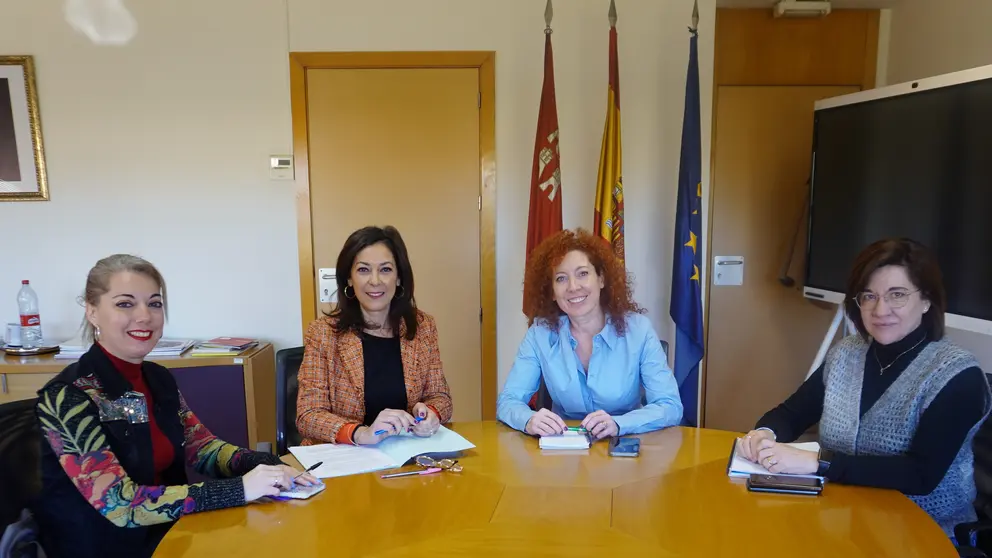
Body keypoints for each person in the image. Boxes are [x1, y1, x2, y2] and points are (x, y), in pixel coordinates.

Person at [30, 254, 317, 558]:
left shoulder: (157, 378)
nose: (144, 316)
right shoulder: (67, 397)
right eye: (125, 304)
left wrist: (269, 464)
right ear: (92, 311)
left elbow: (202, 449)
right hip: (104, 546)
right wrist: (240, 489)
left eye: (154, 303)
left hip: (169, 534)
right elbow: (121, 504)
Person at [739, 238, 991, 538]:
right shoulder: (846, 354)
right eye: (869, 296)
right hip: (837, 518)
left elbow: (920, 476)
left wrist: (818, 463)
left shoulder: (957, 375)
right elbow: (791, 413)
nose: (880, 309)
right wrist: (764, 435)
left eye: (897, 295)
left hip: (923, 532)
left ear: (926, 300)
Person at [497, 228, 683, 439]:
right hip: (563, 453)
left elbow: (670, 405)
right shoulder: (539, 334)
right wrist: (529, 420)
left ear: (601, 279)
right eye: (561, 278)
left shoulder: (639, 330)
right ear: (551, 291)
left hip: (624, 447)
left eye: (583, 274)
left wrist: (619, 423)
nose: (573, 287)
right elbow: (508, 401)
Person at [296, 225, 453, 446]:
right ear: (349, 279)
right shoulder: (322, 334)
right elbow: (308, 415)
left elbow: (441, 397)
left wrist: (431, 412)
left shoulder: (423, 327)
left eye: (386, 269)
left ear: (399, 278)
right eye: (363, 270)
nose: (375, 280)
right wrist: (360, 433)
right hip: (345, 460)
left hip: (405, 454)